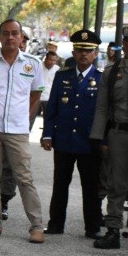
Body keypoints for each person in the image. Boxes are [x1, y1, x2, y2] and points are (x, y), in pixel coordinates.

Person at [0, 19, 45, 243]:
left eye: (15, 33)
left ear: (22, 37)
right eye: (6, 33)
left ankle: (36, 226)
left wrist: (22, 117)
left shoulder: (33, 64)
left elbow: (35, 96)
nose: (10, 37)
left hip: (17, 129)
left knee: (24, 177)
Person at [41, 29, 102, 238]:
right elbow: (52, 108)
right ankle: (56, 223)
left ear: (95, 53)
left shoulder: (101, 79)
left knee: (91, 186)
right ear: (74, 53)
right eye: (79, 50)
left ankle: (92, 227)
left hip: (89, 141)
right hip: (65, 139)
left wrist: (103, 139)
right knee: (60, 184)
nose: (83, 54)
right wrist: (47, 134)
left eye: (88, 50)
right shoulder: (62, 76)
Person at [90, 25, 128, 253]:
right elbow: (102, 107)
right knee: (116, 184)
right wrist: (98, 137)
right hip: (118, 133)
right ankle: (113, 231)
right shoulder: (111, 71)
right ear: (126, 45)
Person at [40, 51, 60, 119]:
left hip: (49, 97)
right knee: (31, 117)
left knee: (47, 118)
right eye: (50, 60)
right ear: (45, 59)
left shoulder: (57, 69)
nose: (52, 62)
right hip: (37, 95)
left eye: (54, 60)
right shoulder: (38, 66)